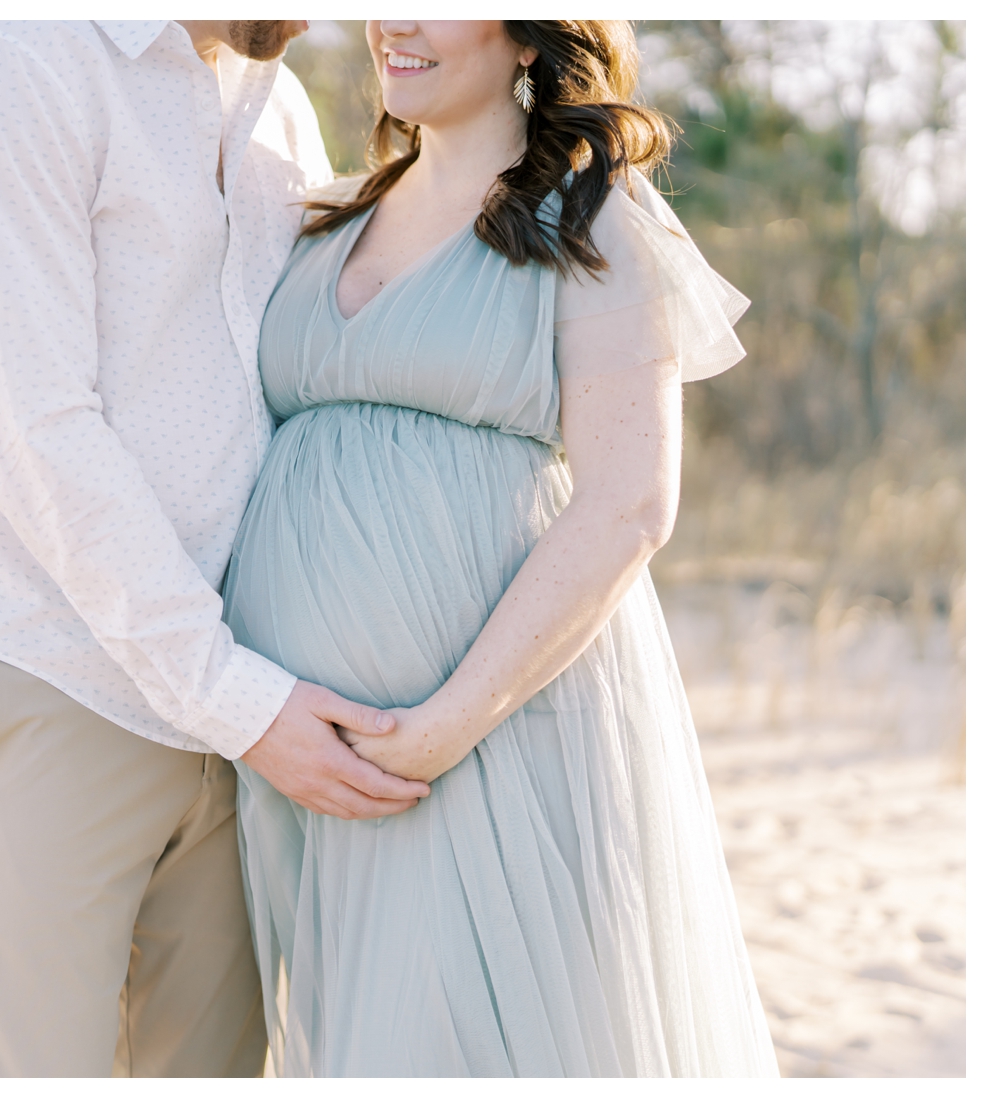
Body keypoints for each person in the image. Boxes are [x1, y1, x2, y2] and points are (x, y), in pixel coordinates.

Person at [0, 19, 430, 1078]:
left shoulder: (278, 100)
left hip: (252, 693)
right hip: (52, 670)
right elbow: (34, 422)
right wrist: (233, 695)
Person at [222, 20, 781, 1076]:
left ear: (529, 39)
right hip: (307, 747)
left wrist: (445, 723)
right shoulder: (331, 211)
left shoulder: (593, 218)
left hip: (483, 736)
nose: (398, 21)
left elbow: (627, 506)